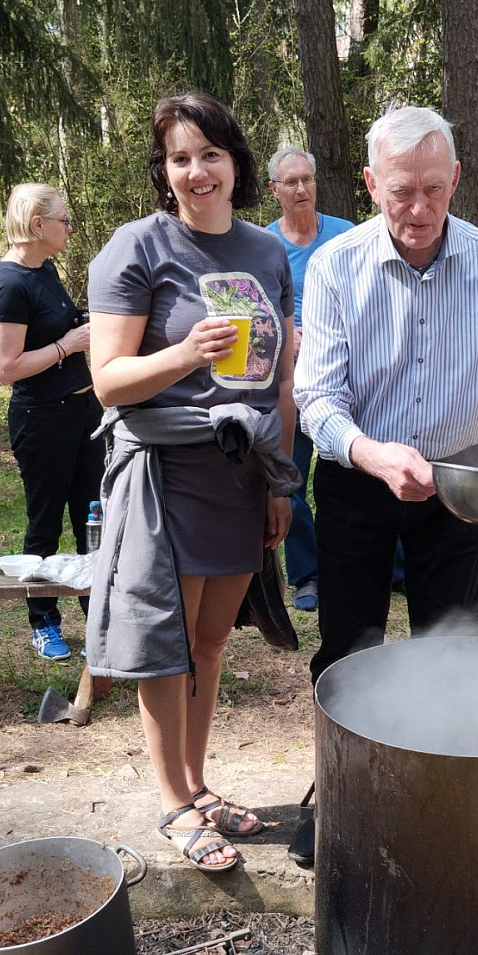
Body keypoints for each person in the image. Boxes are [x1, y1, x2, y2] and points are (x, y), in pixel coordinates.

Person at [86, 92, 299, 875]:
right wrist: (184, 356)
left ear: (235, 163)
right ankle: (174, 801)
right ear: (164, 170)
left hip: (243, 473)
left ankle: (200, 784)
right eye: (180, 157)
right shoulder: (135, 247)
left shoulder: (266, 252)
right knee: (165, 646)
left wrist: (280, 479)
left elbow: (278, 380)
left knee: (211, 642)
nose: (197, 170)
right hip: (165, 471)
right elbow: (108, 381)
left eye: (210, 154)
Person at [294, 103, 478, 684]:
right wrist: (372, 454)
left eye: (434, 190)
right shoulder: (334, 267)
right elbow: (316, 399)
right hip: (357, 480)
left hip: (459, 486)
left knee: (454, 652)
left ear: (456, 179)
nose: (420, 210)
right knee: (346, 653)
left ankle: (443, 771)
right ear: (371, 185)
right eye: (402, 192)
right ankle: (344, 776)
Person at [0, 184, 103, 660]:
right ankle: (44, 622)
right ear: (38, 226)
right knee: (45, 526)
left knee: (93, 517)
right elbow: (5, 367)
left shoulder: (46, 269)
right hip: (41, 420)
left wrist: (96, 321)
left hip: (83, 411)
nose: (70, 228)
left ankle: (99, 619)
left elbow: (62, 322)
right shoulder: (11, 283)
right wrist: (67, 346)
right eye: (63, 220)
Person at [265, 145, 354, 611]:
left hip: (346, 375)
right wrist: (285, 334)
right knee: (292, 474)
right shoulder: (263, 246)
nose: (301, 189)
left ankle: (384, 565)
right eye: (291, 181)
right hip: (288, 380)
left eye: (307, 179)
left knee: (357, 470)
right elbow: (253, 319)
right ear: (274, 189)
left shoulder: (345, 236)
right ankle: (308, 575)